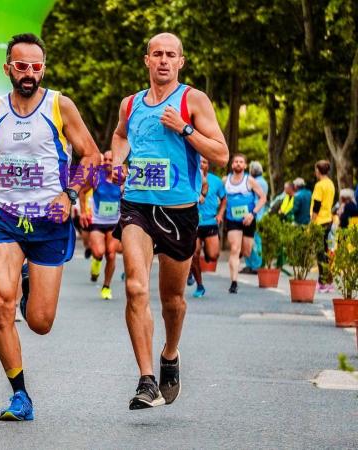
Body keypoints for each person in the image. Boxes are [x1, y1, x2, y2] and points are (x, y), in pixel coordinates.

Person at [0, 33, 102, 421]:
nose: (28, 73)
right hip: (3, 215)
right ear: (7, 67)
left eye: (35, 67)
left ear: (44, 69)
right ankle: (19, 395)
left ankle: (27, 284)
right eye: (20, 66)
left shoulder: (60, 106)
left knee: (39, 322)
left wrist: (70, 194)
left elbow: (90, 156)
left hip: (50, 219)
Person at [111, 32, 229, 410]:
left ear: (181, 61)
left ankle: (170, 353)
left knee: (172, 300)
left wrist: (185, 128)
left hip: (179, 211)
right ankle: (147, 380)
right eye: (157, 54)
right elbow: (118, 136)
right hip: (137, 205)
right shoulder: (129, 104)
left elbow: (222, 154)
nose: (163, 60)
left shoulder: (193, 100)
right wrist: (116, 162)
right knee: (134, 287)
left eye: (170, 55)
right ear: (146, 60)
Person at [219, 154, 266, 294]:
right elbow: (220, 198)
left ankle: (237, 260)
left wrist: (253, 214)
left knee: (246, 251)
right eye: (235, 162)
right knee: (234, 248)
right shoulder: (225, 180)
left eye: (241, 162)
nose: (238, 164)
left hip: (248, 220)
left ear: (245, 166)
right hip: (232, 220)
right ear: (232, 165)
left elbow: (263, 198)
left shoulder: (250, 180)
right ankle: (234, 282)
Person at [79, 150, 122, 300]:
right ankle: (96, 262)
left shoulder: (121, 179)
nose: (108, 162)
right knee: (98, 252)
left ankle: (106, 286)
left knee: (111, 253)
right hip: (98, 222)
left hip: (114, 223)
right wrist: (83, 212)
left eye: (112, 160)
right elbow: (82, 192)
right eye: (106, 160)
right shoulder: (97, 178)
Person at [189, 156, 225, 298]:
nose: (202, 164)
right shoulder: (189, 178)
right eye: (200, 162)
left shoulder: (216, 181)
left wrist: (220, 214)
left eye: (205, 162)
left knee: (213, 256)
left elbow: (224, 199)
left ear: (208, 165)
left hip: (210, 222)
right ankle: (200, 285)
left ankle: (203, 258)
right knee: (194, 255)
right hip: (194, 224)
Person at [311, 160, 336, 293]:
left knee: (320, 253)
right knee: (325, 251)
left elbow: (316, 206)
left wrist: (312, 223)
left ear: (318, 171)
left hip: (320, 221)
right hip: (328, 219)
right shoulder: (331, 184)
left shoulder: (319, 185)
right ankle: (328, 282)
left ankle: (323, 282)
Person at [244, 161, 269, 273]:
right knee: (253, 241)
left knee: (254, 241)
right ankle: (252, 264)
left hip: (254, 215)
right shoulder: (264, 182)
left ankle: (255, 265)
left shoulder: (255, 182)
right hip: (259, 215)